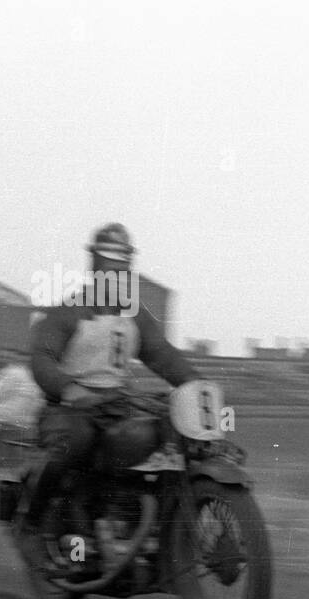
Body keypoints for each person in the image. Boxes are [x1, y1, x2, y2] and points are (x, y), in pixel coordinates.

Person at [17, 223, 201, 569]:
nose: (116, 273)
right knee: (75, 439)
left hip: (117, 404)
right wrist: (69, 388)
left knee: (156, 434)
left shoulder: (134, 316)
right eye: (109, 264)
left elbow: (162, 355)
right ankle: (32, 525)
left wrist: (197, 385)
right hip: (69, 408)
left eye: (122, 265)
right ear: (95, 265)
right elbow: (42, 357)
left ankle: (138, 526)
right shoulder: (68, 310)